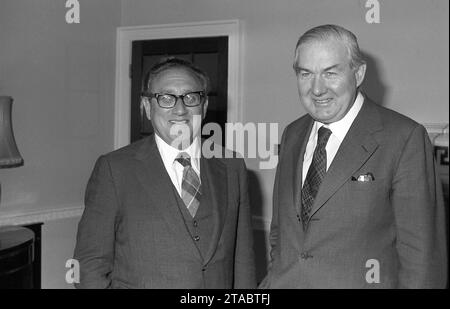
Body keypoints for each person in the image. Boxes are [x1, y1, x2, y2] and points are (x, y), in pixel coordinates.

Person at [260, 24, 447, 288]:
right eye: (306, 74)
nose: (317, 89)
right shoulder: (293, 133)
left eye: (330, 73)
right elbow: (281, 233)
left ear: (358, 74)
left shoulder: (403, 138)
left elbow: (422, 255)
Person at [74, 57, 256, 288]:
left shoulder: (232, 167)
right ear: (148, 107)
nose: (180, 110)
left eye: (191, 98)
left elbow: (244, 263)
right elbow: (89, 265)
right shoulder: (114, 170)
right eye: (166, 98)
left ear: (204, 106)